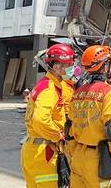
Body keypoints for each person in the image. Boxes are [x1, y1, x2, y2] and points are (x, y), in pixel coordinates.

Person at [69, 46, 111, 188]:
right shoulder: (109, 93)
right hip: (98, 160)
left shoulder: (77, 93)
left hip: (77, 155)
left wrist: (72, 154)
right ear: (105, 66)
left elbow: (69, 129)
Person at [21, 43, 75, 188]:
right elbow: (40, 119)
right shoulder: (49, 89)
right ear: (56, 67)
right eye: (68, 64)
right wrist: (58, 135)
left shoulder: (48, 85)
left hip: (35, 149)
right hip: (44, 152)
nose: (72, 68)